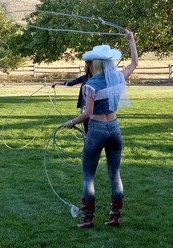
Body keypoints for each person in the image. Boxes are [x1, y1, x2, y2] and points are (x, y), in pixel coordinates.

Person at [62, 30, 138, 228]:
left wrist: (71, 122)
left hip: (96, 130)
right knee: (115, 175)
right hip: (114, 128)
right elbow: (134, 64)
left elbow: (87, 113)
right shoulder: (118, 78)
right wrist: (131, 41)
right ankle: (115, 217)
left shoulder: (90, 84)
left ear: (94, 63)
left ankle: (87, 220)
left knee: (89, 176)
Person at [51, 60, 94, 133]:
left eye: (86, 66)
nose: (85, 68)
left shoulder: (96, 79)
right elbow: (71, 83)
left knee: (92, 124)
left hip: (93, 106)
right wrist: (58, 83)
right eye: (85, 66)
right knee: (86, 124)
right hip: (84, 105)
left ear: (91, 67)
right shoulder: (84, 78)